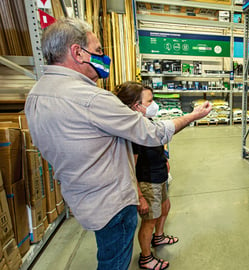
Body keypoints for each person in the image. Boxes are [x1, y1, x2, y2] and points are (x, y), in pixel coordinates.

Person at [24, 18, 212, 270]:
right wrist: (193, 116)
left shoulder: (36, 94)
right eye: (98, 50)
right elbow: (153, 134)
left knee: (109, 254)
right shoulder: (91, 98)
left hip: (80, 197)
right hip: (111, 202)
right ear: (77, 52)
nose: (103, 56)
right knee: (114, 263)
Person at [114, 82, 178, 270]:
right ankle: (146, 257)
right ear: (136, 105)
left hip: (159, 175)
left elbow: (155, 143)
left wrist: (164, 158)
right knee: (149, 220)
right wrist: (139, 196)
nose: (153, 105)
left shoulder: (145, 122)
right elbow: (131, 168)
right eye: (149, 101)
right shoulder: (132, 131)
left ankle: (158, 237)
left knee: (165, 207)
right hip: (147, 180)